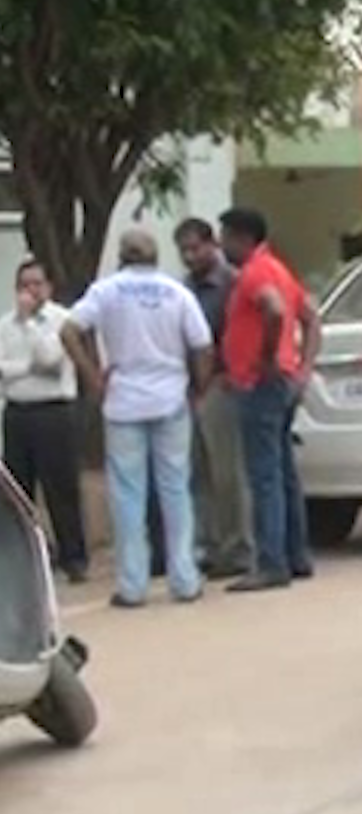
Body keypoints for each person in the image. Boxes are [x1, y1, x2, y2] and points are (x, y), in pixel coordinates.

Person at [60, 230, 214, 607]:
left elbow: (68, 330)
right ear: (156, 256)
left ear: (122, 257)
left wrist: (93, 377)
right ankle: (184, 578)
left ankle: (132, 585)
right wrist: (199, 388)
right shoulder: (176, 292)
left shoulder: (107, 291)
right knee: (175, 489)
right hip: (170, 397)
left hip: (124, 400)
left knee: (127, 495)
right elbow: (202, 345)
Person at [218, 207, 321, 592]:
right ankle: (296, 555)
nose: (223, 245)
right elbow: (310, 317)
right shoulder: (279, 268)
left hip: (261, 383)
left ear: (243, 238)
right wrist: (303, 368)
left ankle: (271, 562)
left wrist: (263, 359)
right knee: (282, 473)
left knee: (264, 476)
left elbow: (275, 311)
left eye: (226, 236)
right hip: (283, 380)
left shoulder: (256, 273)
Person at [0, 257, 88, 582]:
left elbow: (50, 361)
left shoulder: (62, 320)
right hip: (18, 412)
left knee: (61, 488)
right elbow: (3, 371)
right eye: (24, 285)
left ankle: (74, 557)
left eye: (37, 284)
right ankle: (28, 558)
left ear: (49, 288)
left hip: (54, 411)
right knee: (19, 491)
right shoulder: (5, 324)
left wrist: (33, 324)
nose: (31, 291)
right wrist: (24, 368)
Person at [175, 218, 253, 579]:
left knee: (228, 473)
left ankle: (237, 547)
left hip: (222, 384)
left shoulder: (232, 283)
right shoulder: (182, 290)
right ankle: (206, 545)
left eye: (195, 248)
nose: (190, 256)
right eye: (184, 250)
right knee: (197, 473)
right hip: (188, 389)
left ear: (212, 246)